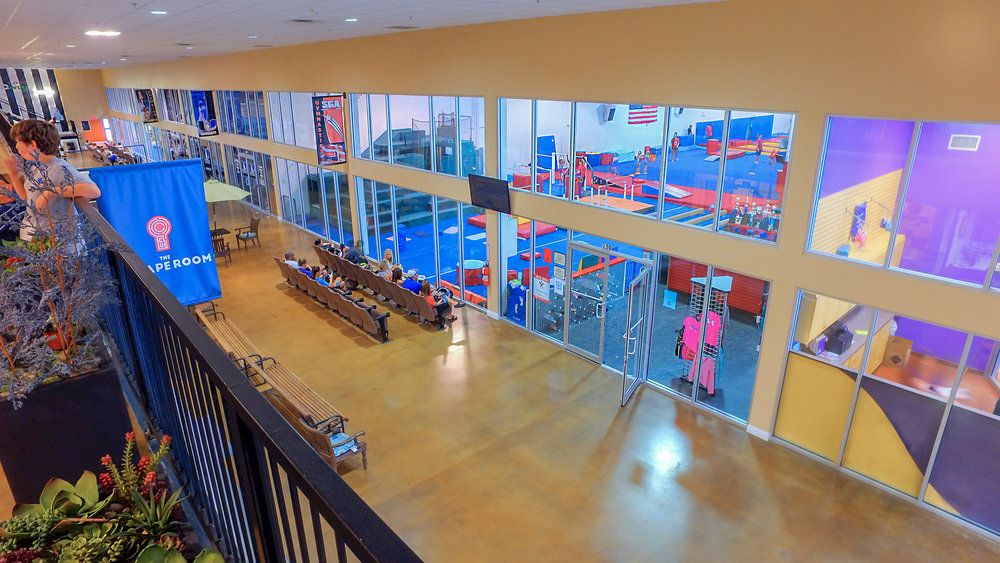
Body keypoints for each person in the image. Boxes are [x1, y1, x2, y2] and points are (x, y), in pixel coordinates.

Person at [2, 119, 102, 242]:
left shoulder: (58, 167)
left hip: (58, 243)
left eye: (18, 141)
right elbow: (27, 198)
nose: (16, 146)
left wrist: (51, 192)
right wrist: (13, 174)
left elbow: (94, 191)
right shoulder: (36, 166)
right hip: (37, 239)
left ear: (32, 144)